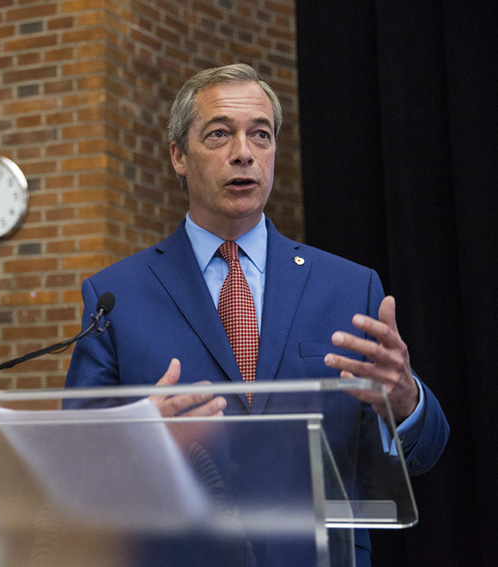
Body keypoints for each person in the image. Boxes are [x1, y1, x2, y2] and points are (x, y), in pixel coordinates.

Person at [64, 64, 449, 566]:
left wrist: (404, 399)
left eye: (260, 135)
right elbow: (71, 462)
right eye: (220, 134)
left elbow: (429, 447)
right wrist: (135, 440)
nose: (243, 151)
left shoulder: (351, 287)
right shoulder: (117, 296)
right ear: (179, 156)